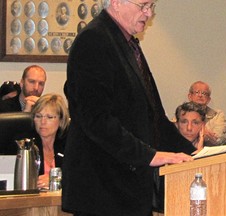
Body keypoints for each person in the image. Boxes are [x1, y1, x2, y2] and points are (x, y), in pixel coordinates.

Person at [62, 1, 196, 215]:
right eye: (143, 5)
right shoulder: (94, 40)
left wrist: (198, 155)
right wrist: (150, 155)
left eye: (151, 6)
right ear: (116, 3)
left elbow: (155, 119)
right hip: (103, 192)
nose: (149, 13)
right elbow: (96, 119)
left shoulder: (128, 44)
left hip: (128, 191)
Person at [30, 93, 70, 189]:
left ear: (61, 120)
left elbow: (80, 174)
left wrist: (55, 179)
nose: (43, 122)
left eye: (49, 117)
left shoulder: (68, 144)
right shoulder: (27, 145)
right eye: (38, 116)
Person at [188, 81, 226, 145]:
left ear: (208, 99)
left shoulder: (217, 115)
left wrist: (192, 133)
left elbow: (217, 138)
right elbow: (176, 135)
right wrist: (201, 133)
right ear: (190, 96)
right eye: (197, 92)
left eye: (204, 93)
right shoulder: (182, 114)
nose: (200, 95)